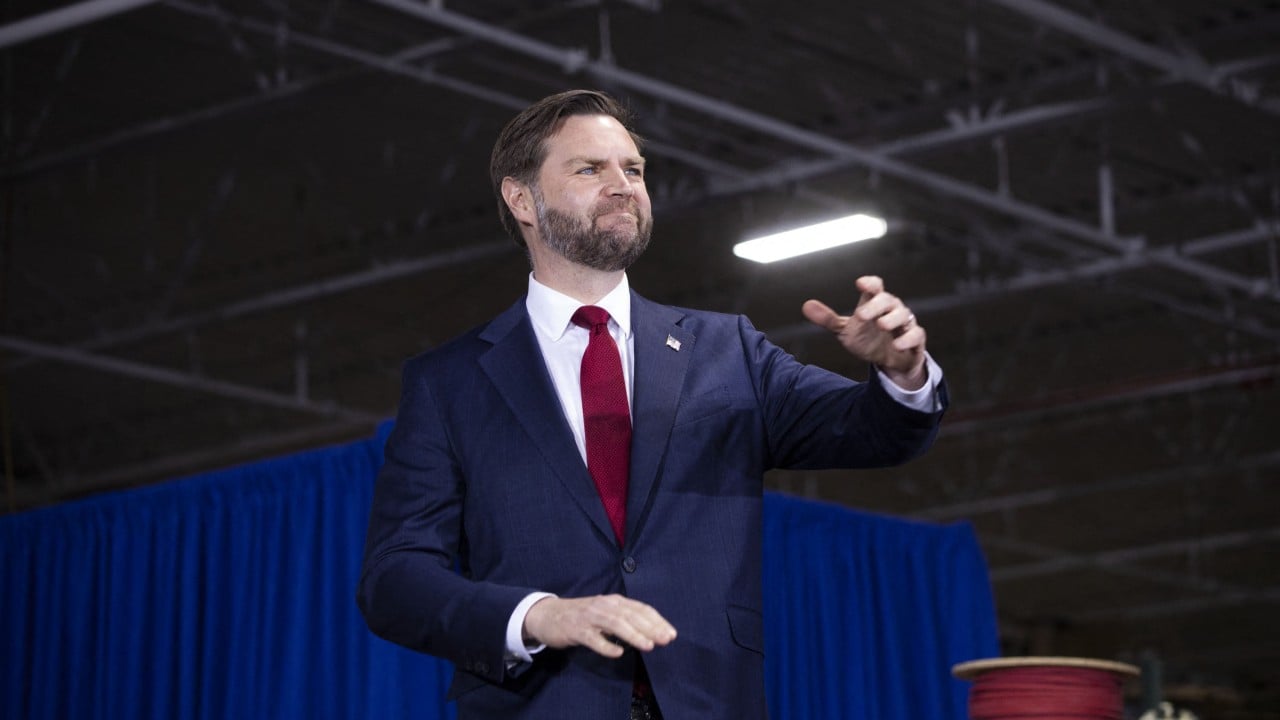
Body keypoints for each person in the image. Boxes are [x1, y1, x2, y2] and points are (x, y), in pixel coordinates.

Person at [357, 89, 948, 720]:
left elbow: (872, 431)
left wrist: (902, 369)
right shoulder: (450, 384)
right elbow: (394, 582)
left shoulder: (728, 350)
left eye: (633, 170)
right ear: (521, 199)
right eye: (590, 169)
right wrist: (539, 614)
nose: (623, 185)